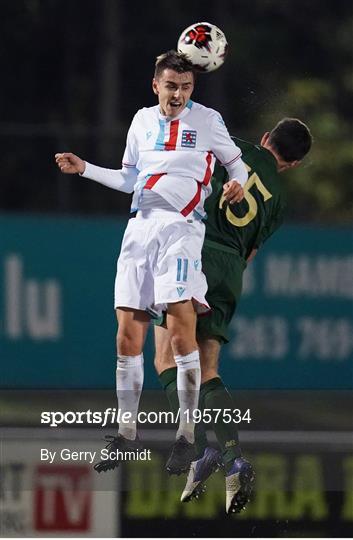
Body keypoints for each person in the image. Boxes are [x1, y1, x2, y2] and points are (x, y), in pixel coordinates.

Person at [55, 50, 248, 475]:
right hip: (139, 229)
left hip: (181, 231)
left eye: (186, 87)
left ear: (192, 89)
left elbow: (238, 164)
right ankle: (127, 435)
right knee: (127, 336)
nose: (178, 94)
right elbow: (129, 178)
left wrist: (236, 183)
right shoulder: (142, 121)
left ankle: (186, 434)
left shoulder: (208, 121)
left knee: (181, 336)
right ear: (155, 85)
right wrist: (85, 168)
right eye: (171, 86)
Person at [154, 117, 313, 512]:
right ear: (293, 165)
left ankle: (199, 448)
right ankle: (232, 457)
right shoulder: (280, 200)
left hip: (196, 252)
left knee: (165, 359)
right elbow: (250, 254)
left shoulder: (231, 148)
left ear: (265, 138)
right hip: (230, 271)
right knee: (208, 369)